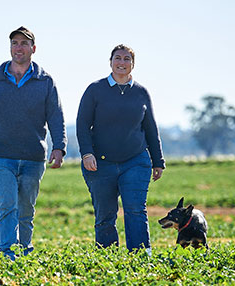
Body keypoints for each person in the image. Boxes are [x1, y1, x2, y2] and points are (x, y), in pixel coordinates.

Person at [0, 26, 67, 261]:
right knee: (7, 204)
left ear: (33, 48)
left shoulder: (45, 81)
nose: (18, 47)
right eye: (14, 43)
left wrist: (59, 146)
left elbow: (56, 116)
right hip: (0, 155)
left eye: (23, 43)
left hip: (32, 157)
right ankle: (6, 256)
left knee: (26, 210)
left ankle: (24, 254)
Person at [76, 44, 165, 255]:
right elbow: (82, 124)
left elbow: (150, 128)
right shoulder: (95, 90)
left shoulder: (141, 93)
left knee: (135, 210)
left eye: (127, 59)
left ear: (133, 65)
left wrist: (158, 160)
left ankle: (141, 257)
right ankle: (108, 259)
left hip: (135, 161)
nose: (122, 62)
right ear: (110, 61)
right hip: (100, 163)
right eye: (118, 58)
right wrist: (87, 153)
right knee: (105, 214)